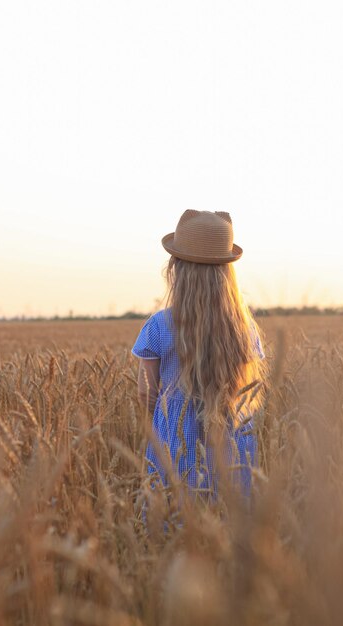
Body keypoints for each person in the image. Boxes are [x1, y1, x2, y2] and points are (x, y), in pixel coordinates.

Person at [131, 209, 266, 505]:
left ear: (175, 269)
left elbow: (146, 392)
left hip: (174, 448)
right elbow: (249, 386)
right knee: (231, 523)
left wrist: (171, 417)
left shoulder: (158, 326)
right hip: (233, 450)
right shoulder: (246, 329)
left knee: (174, 527)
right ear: (228, 275)